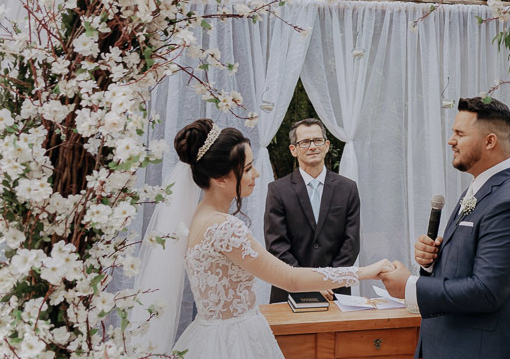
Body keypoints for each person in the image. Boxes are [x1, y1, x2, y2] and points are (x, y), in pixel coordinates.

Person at [168, 119, 391, 359]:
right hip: (235, 341)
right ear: (221, 179)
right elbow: (290, 279)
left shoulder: (194, 219)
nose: (256, 173)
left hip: (206, 335)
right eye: (247, 168)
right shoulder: (226, 228)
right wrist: (366, 272)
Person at [381, 97, 510, 359]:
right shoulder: (480, 188)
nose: (451, 140)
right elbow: (470, 265)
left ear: (489, 141)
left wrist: (410, 286)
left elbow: (486, 291)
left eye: (459, 133)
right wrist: (433, 261)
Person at [264, 118, 360, 302]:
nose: (312, 146)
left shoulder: (348, 188)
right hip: (289, 291)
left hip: (335, 291)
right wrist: (308, 283)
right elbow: (277, 246)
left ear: (326, 145)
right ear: (293, 150)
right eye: (305, 142)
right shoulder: (277, 190)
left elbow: (351, 243)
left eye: (318, 140)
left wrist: (329, 281)